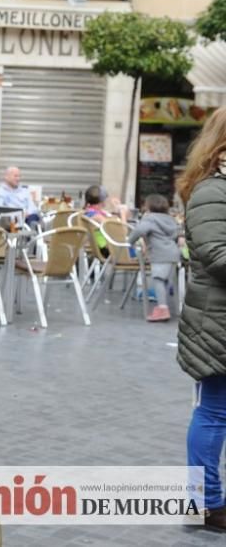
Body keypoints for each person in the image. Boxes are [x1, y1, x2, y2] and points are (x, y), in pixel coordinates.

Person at [176, 105, 226, 533]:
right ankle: (203, 502)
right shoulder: (213, 190)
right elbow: (216, 255)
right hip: (217, 321)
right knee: (214, 411)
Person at [127, 194, 181, 322]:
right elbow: (175, 234)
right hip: (173, 253)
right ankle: (165, 306)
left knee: (158, 280)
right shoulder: (170, 219)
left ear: (148, 207)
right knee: (165, 281)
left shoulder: (149, 219)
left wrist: (130, 241)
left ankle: (162, 308)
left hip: (159, 254)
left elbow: (139, 231)